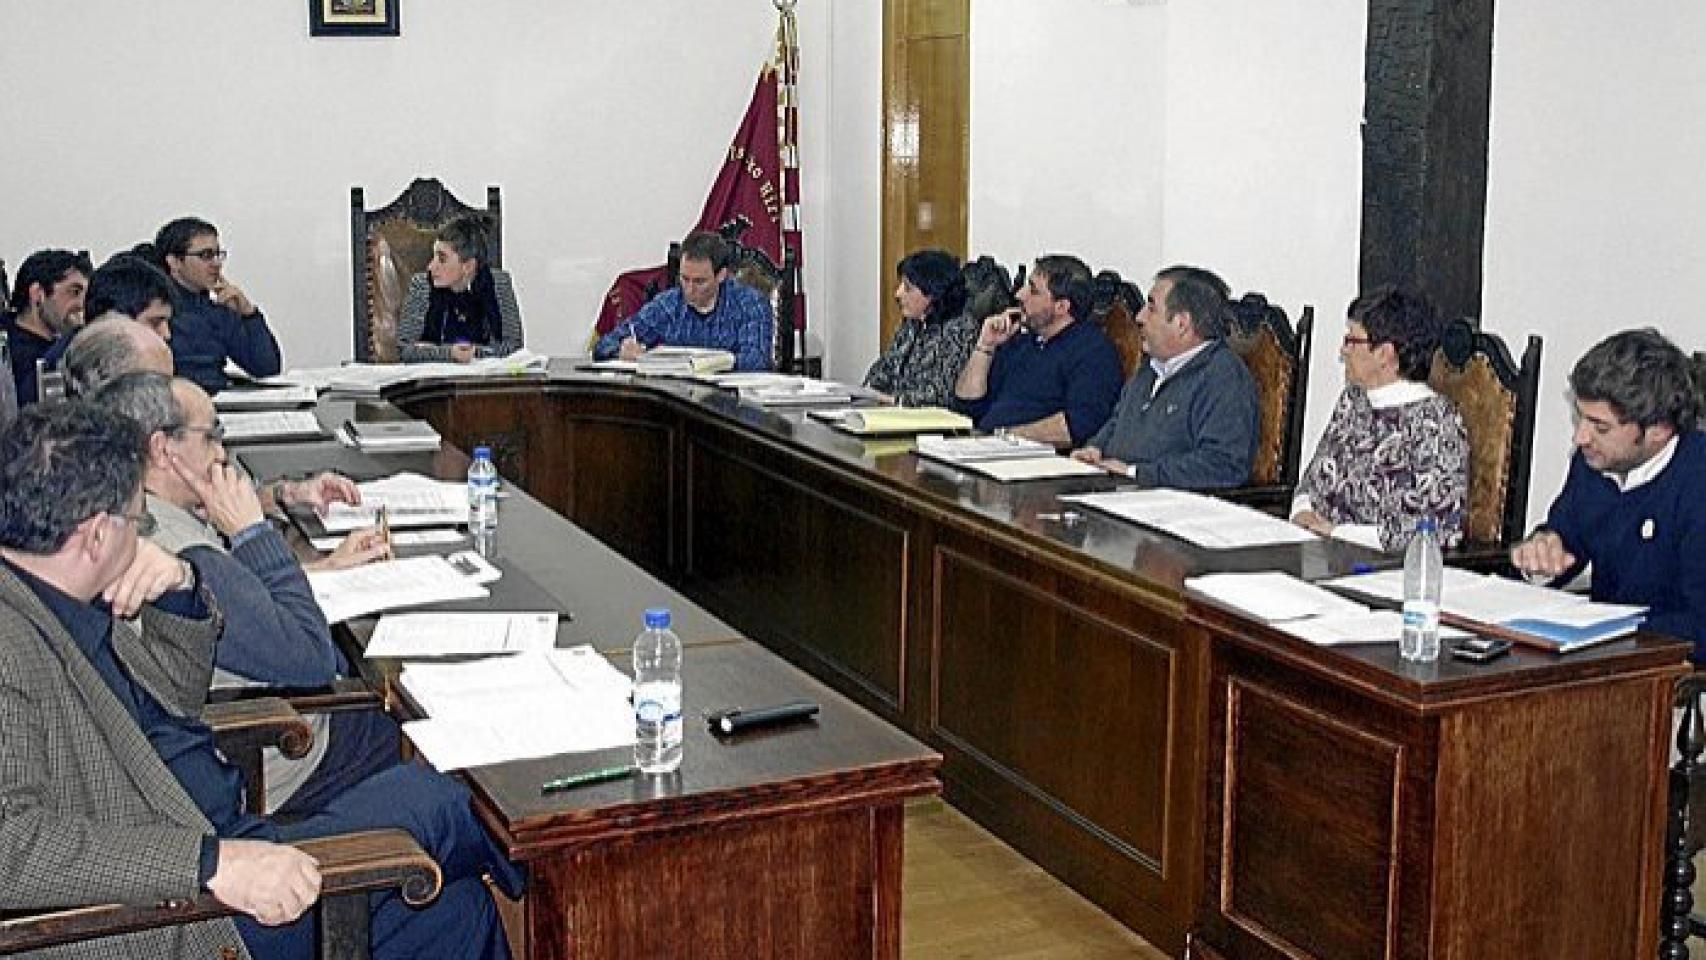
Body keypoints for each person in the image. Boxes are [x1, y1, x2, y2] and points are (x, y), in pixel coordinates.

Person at [0, 401, 519, 959]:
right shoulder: (11, 646)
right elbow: (9, 847)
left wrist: (178, 587)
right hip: (177, 912)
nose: (144, 533)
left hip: (219, 835)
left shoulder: (65, 592)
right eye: (136, 520)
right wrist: (210, 865)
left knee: (455, 912)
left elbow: (175, 700)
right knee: (441, 800)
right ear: (96, 534)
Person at [97, 371, 392, 817]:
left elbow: (249, 605)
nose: (223, 455)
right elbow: (312, 659)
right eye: (211, 438)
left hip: (238, 730)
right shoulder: (183, 554)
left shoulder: (139, 516)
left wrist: (322, 567)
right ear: (162, 449)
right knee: (418, 728)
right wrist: (251, 533)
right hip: (276, 755)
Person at [1510, 328, 1706, 661]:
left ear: (1658, 430)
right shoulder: (1593, 464)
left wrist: (1610, 631)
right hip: (1603, 657)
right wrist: (1543, 553)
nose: (1581, 437)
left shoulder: (1696, 481)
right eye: (1580, 418)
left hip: (1665, 678)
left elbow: (1700, 625)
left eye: (1600, 427)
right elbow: (1567, 537)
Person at [1289, 285, 1469, 550]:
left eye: (1352, 341)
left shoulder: (1436, 423)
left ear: (1385, 354)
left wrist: (1338, 533)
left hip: (1384, 569)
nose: (1343, 351)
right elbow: (1313, 480)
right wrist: (1302, 513)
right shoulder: (1354, 400)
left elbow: (1441, 531)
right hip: (1327, 551)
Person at [1071, 265, 1259, 488]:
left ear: (1182, 324)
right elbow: (1118, 421)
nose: (1139, 317)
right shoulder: (1151, 367)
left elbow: (1223, 465)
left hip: (1167, 506)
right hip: (1115, 490)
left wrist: (1136, 473)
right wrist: (1095, 449)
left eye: (1151, 308)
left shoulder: (1223, 378)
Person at [953, 253, 1123, 446]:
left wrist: (1003, 436)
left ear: (1061, 306)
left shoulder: (1092, 351)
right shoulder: (1021, 342)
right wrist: (985, 346)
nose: (1019, 295)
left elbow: (1078, 426)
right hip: (985, 447)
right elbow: (967, 405)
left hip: (1032, 459)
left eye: (1033, 290)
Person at [594, 230, 775, 372]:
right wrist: (622, 351)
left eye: (699, 281)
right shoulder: (669, 304)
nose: (689, 289)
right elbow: (604, 345)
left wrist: (707, 364)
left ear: (721, 275)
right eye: (684, 278)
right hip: (678, 404)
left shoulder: (750, 304)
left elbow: (757, 360)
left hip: (731, 405)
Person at [150, 217, 282, 392]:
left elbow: (266, 368)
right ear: (174, 261)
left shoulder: (218, 309)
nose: (216, 264)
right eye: (205, 256)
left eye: (218, 255)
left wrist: (248, 314)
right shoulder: (154, 311)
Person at [396, 214, 524, 363]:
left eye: (442, 259)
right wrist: (450, 353)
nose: (430, 266)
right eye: (433, 257)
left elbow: (514, 348)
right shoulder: (421, 286)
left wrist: (475, 352)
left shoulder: (499, 284)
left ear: (468, 266)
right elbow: (405, 350)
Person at [862, 249, 978, 407]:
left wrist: (892, 400)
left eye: (908, 288)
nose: (898, 294)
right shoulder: (911, 325)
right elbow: (882, 371)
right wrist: (865, 391)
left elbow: (940, 394)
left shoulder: (961, 330)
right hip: (893, 415)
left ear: (933, 293)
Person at [2, 248, 92, 404]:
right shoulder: (7, 351)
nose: (81, 304)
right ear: (38, 293)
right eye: (74, 292)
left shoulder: (74, 348)